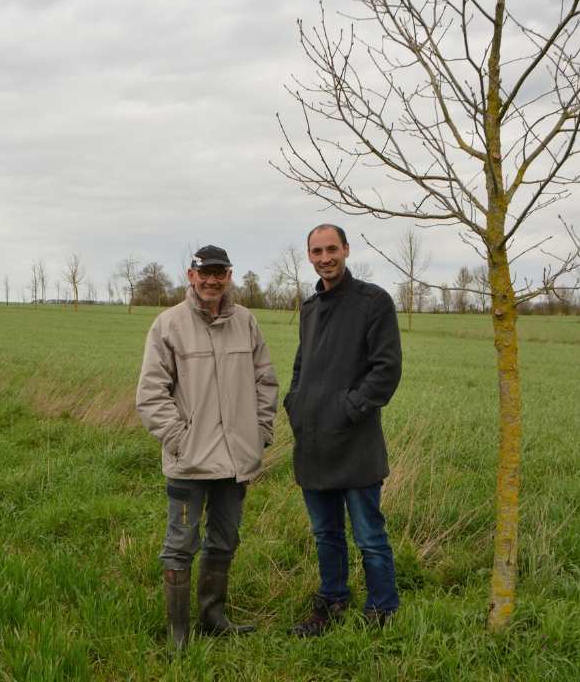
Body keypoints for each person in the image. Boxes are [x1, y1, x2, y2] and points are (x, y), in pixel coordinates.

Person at [136, 244, 279, 650]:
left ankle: (213, 617)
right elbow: (151, 394)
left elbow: (265, 382)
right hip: (189, 462)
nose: (213, 280)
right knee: (180, 544)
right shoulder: (169, 325)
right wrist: (180, 440)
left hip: (236, 461)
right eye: (206, 273)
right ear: (191, 275)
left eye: (220, 273)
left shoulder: (246, 322)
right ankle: (178, 632)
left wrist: (260, 431)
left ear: (229, 276)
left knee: (225, 540)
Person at [284, 224, 403, 637]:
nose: (324, 257)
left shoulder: (374, 302)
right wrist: (295, 403)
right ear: (310, 256)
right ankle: (332, 602)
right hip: (313, 443)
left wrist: (347, 409)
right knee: (326, 534)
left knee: (369, 535)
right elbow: (301, 366)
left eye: (331, 248)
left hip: (356, 442)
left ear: (347, 250)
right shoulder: (309, 309)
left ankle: (382, 610)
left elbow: (386, 370)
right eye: (316, 250)